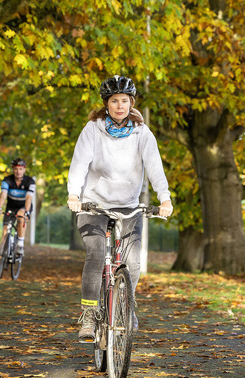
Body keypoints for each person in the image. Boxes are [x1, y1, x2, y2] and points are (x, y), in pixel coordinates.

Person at [67, 75, 173, 342]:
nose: (120, 106)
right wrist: (73, 194)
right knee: (96, 253)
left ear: (131, 103)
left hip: (128, 206)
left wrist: (165, 198)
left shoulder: (142, 133)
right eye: (114, 101)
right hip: (94, 204)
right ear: (106, 104)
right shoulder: (92, 129)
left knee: (133, 261)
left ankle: (126, 307)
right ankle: (89, 315)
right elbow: (79, 163)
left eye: (124, 101)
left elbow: (155, 167)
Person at [0, 158, 35, 258]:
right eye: (16, 169)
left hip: (24, 206)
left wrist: (27, 212)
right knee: (5, 228)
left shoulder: (30, 181)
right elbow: (3, 195)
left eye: (21, 169)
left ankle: (20, 244)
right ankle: (6, 247)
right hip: (11, 206)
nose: (18, 171)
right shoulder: (7, 180)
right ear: (13, 169)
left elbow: (29, 198)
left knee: (21, 217)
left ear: (24, 169)